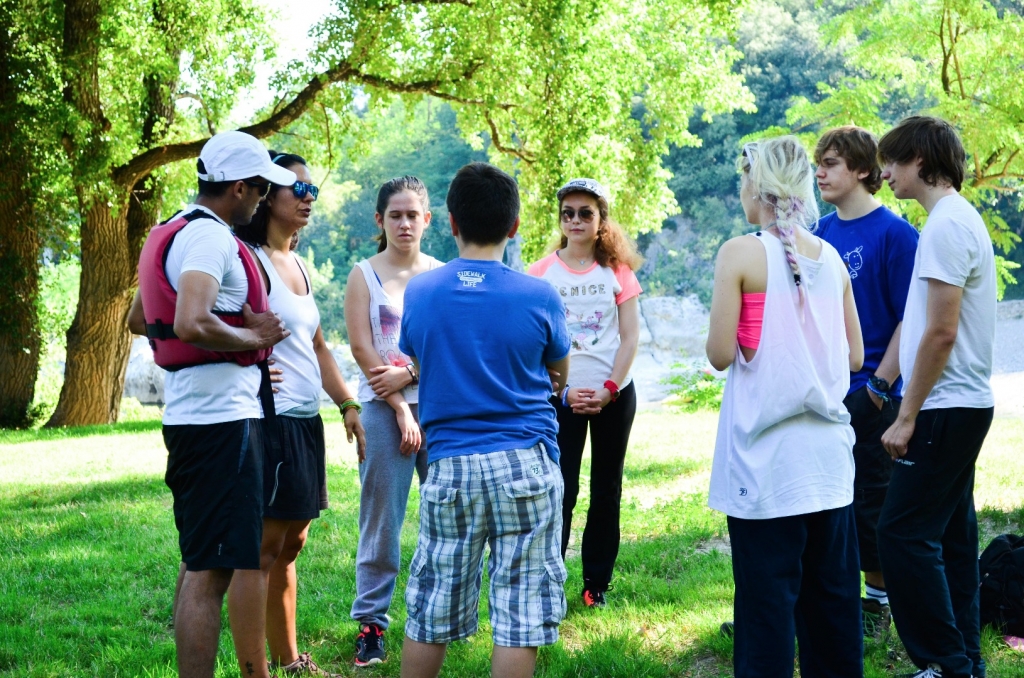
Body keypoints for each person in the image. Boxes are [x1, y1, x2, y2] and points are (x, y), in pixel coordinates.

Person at [127, 130, 295, 678]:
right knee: (210, 576)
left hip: (193, 417)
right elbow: (190, 321)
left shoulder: (175, 228)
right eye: (261, 189)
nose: (263, 200)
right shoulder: (210, 238)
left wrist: (235, 340)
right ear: (239, 187)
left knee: (199, 562)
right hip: (220, 423)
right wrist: (253, 339)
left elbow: (138, 318)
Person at [397, 162, 571, 678]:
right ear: (514, 226)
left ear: (451, 222)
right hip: (525, 463)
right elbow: (558, 373)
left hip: (450, 465)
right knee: (520, 613)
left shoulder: (421, 292)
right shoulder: (540, 294)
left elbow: (421, 360)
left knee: (431, 608)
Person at [706, 136, 865, 678]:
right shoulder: (832, 258)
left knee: (765, 612)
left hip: (766, 466)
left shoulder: (740, 253)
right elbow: (856, 355)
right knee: (833, 607)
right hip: (829, 464)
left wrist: (757, 329)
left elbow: (719, 354)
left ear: (757, 186)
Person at [228, 151, 367, 676]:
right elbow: (212, 322)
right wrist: (249, 359)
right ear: (268, 195)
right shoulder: (248, 260)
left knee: (291, 545)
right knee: (264, 548)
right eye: (299, 189)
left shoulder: (300, 266)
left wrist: (347, 403)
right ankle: (256, 669)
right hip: (270, 419)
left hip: (306, 421)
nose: (309, 198)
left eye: (313, 191)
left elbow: (319, 347)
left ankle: (290, 662)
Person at [876, 116, 997, 678]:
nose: (885, 173)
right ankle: (965, 661)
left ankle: (943, 664)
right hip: (959, 405)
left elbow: (942, 332)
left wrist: (907, 416)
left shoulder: (947, 225)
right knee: (951, 537)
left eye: (892, 162)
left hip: (944, 407)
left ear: (920, 161)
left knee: (901, 534)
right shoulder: (953, 219)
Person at [813, 126, 920, 639]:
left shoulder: (896, 234)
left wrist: (878, 386)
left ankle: (878, 607)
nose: (819, 173)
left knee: (871, 503)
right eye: (817, 164)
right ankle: (826, 604)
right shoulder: (817, 233)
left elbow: (910, 317)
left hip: (874, 393)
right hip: (823, 392)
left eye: (830, 163)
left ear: (862, 169)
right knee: (824, 503)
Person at [527, 178, 642, 608]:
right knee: (561, 489)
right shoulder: (540, 273)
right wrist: (564, 391)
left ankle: (596, 584)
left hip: (615, 395)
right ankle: (550, 580)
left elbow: (630, 337)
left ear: (601, 220)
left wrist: (610, 389)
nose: (575, 220)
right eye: (568, 213)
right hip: (561, 399)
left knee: (606, 489)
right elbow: (533, 342)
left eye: (585, 213)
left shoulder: (618, 271)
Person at [344, 176, 440, 667]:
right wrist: (401, 405)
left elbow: (448, 346)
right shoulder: (364, 275)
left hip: (440, 410)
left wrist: (412, 372)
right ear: (380, 220)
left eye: (413, 215)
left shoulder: (440, 275)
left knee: (447, 516)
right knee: (382, 520)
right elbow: (362, 348)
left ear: (428, 219)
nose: (405, 224)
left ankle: (440, 616)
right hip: (384, 410)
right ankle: (371, 625)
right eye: (395, 215)